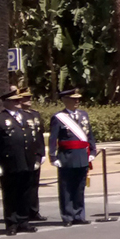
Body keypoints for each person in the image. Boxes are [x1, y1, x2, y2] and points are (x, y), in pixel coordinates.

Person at [0, 89, 38, 235]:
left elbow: (32, 138)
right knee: (10, 194)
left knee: (25, 192)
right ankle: (11, 223)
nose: (19, 103)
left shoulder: (27, 116)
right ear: (7, 102)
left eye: (19, 100)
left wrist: (35, 157)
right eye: (15, 101)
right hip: (10, 162)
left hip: (26, 160)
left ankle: (24, 221)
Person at [48, 88, 97, 226]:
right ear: (65, 100)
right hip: (67, 156)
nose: (77, 101)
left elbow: (89, 135)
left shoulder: (83, 115)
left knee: (80, 187)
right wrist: (53, 156)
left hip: (82, 155)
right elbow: (53, 139)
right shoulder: (59, 117)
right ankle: (68, 216)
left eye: (78, 99)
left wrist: (92, 151)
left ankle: (79, 214)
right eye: (73, 99)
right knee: (66, 188)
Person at [20, 88, 48, 222]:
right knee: (23, 184)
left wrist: (42, 153)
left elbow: (39, 135)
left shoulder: (35, 114)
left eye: (29, 97)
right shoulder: (19, 115)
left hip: (35, 153)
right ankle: (23, 211)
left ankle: (34, 210)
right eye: (25, 98)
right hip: (23, 154)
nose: (28, 100)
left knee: (34, 184)